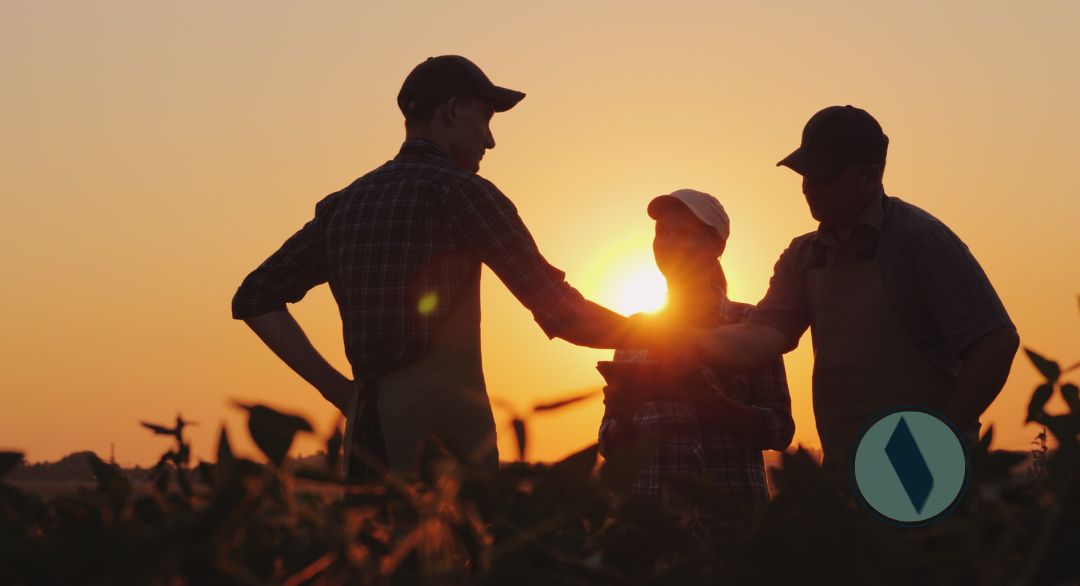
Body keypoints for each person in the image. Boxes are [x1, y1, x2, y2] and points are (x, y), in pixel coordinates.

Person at [231, 55, 648, 481]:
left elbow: (255, 297)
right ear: (452, 110)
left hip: (365, 448)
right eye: (485, 119)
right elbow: (564, 313)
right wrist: (666, 340)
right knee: (453, 548)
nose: (490, 141)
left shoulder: (345, 204)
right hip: (445, 456)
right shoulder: (463, 194)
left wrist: (339, 391)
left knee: (370, 548)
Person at [689, 106, 1019, 490]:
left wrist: (939, 434)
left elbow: (996, 342)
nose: (810, 187)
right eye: (805, 175)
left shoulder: (920, 240)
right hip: (848, 469)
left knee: (921, 551)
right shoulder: (804, 256)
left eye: (825, 176)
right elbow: (761, 338)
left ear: (871, 174)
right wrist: (682, 339)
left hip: (929, 471)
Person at [598, 189, 794, 526]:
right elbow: (609, 444)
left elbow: (779, 430)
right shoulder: (634, 332)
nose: (669, 242)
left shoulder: (752, 325)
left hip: (733, 522)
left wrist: (722, 409)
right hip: (650, 524)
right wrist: (622, 412)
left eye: (684, 233)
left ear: (717, 246)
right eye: (662, 232)